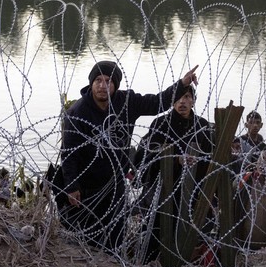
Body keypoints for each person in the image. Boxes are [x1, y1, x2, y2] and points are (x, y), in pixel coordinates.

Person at [60, 60, 199, 253]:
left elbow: (157, 103)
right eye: (98, 80)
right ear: (91, 83)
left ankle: (112, 265)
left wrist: (181, 85)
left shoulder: (127, 102)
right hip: (87, 184)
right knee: (88, 236)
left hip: (115, 181)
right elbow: (69, 153)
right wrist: (72, 186)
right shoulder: (77, 113)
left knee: (115, 236)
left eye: (108, 81)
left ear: (115, 84)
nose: (102, 86)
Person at [132, 84, 214, 261]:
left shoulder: (202, 126)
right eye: (178, 98)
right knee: (155, 231)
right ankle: (146, 261)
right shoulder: (161, 123)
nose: (182, 102)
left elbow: (210, 157)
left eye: (186, 97)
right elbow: (146, 155)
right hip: (162, 189)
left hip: (192, 190)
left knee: (188, 233)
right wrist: (174, 159)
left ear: (193, 100)